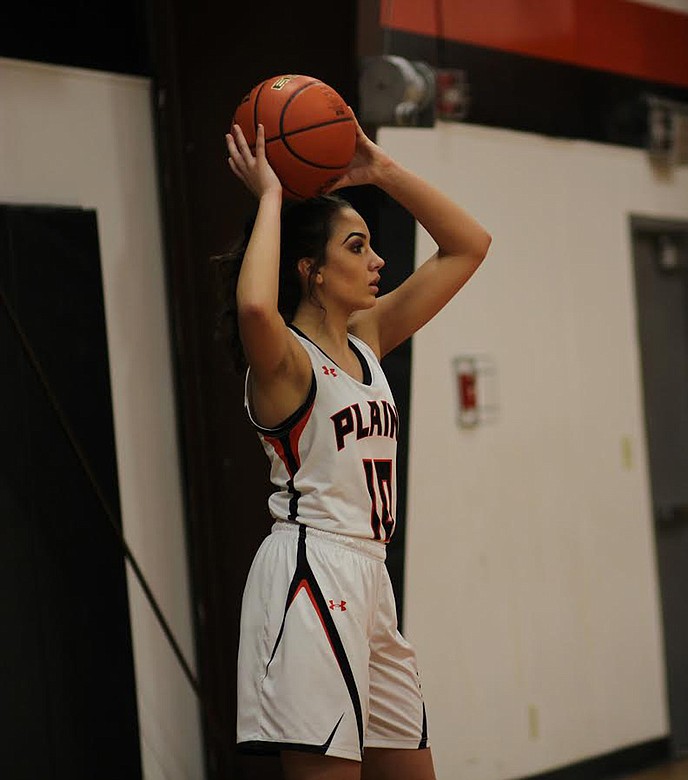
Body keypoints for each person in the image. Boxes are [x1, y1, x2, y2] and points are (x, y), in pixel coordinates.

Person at [216, 114, 490, 780]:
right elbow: (254, 309)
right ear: (311, 270)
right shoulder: (285, 361)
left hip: (371, 576)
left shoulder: (368, 337)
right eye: (358, 247)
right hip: (311, 574)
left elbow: (469, 246)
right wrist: (272, 198)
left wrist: (383, 169)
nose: (378, 261)